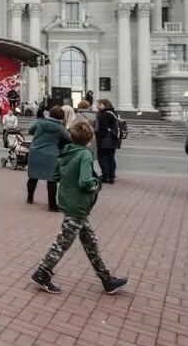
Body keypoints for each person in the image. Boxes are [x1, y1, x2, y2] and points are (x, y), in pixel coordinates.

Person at [30, 121, 128, 295]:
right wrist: (97, 183)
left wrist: (69, 181)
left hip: (68, 201)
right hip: (78, 204)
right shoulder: (84, 154)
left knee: (90, 243)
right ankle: (42, 272)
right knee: (63, 242)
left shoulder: (66, 151)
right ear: (90, 139)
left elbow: (56, 175)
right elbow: (84, 182)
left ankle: (106, 279)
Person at [27, 106, 70, 211]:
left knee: (33, 176)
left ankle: (30, 197)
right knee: (51, 179)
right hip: (51, 154)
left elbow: (30, 131)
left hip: (35, 152)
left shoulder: (40, 123)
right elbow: (69, 139)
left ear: (50, 114)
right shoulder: (60, 128)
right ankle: (52, 205)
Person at [94, 99, 120, 184]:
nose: (98, 106)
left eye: (100, 104)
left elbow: (102, 129)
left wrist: (98, 141)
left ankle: (106, 176)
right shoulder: (113, 113)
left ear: (106, 105)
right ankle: (111, 176)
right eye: (98, 104)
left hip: (105, 140)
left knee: (102, 158)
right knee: (111, 158)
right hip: (113, 139)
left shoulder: (104, 114)